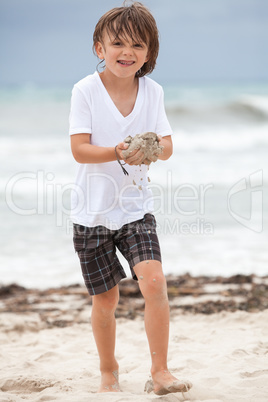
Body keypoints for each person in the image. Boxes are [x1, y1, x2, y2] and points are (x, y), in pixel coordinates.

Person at [69, 1, 192, 396]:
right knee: (106, 300)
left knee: (154, 282)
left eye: (138, 45)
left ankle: (160, 371)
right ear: (98, 48)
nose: (127, 52)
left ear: (149, 54)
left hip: (136, 208)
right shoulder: (85, 90)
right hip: (91, 213)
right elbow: (79, 150)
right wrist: (117, 153)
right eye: (117, 42)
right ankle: (109, 370)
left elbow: (168, 144)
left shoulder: (152, 92)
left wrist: (151, 149)